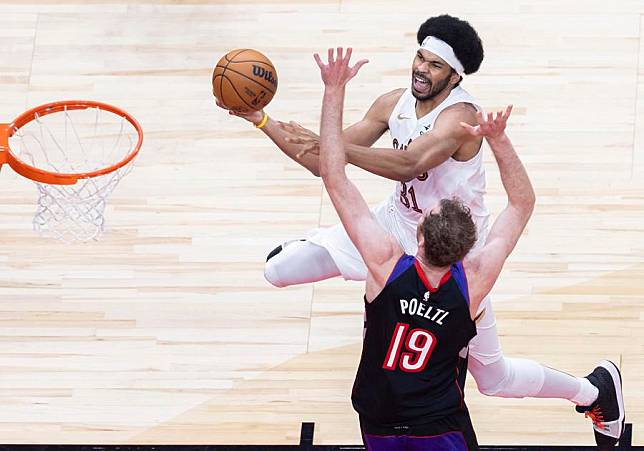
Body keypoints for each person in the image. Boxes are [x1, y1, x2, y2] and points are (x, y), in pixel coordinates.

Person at [216, 15, 625, 447]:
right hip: (395, 226)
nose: (421, 69)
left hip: (452, 250)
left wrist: (331, 144)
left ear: (455, 76)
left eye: (433, 65)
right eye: (420, 57)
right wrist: (261, 119)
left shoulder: (461, 118)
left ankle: (596, 390)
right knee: (278, 270)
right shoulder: (391, 103)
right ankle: (319, 247)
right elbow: (323, 166)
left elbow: (408, 163)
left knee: (494, 378)